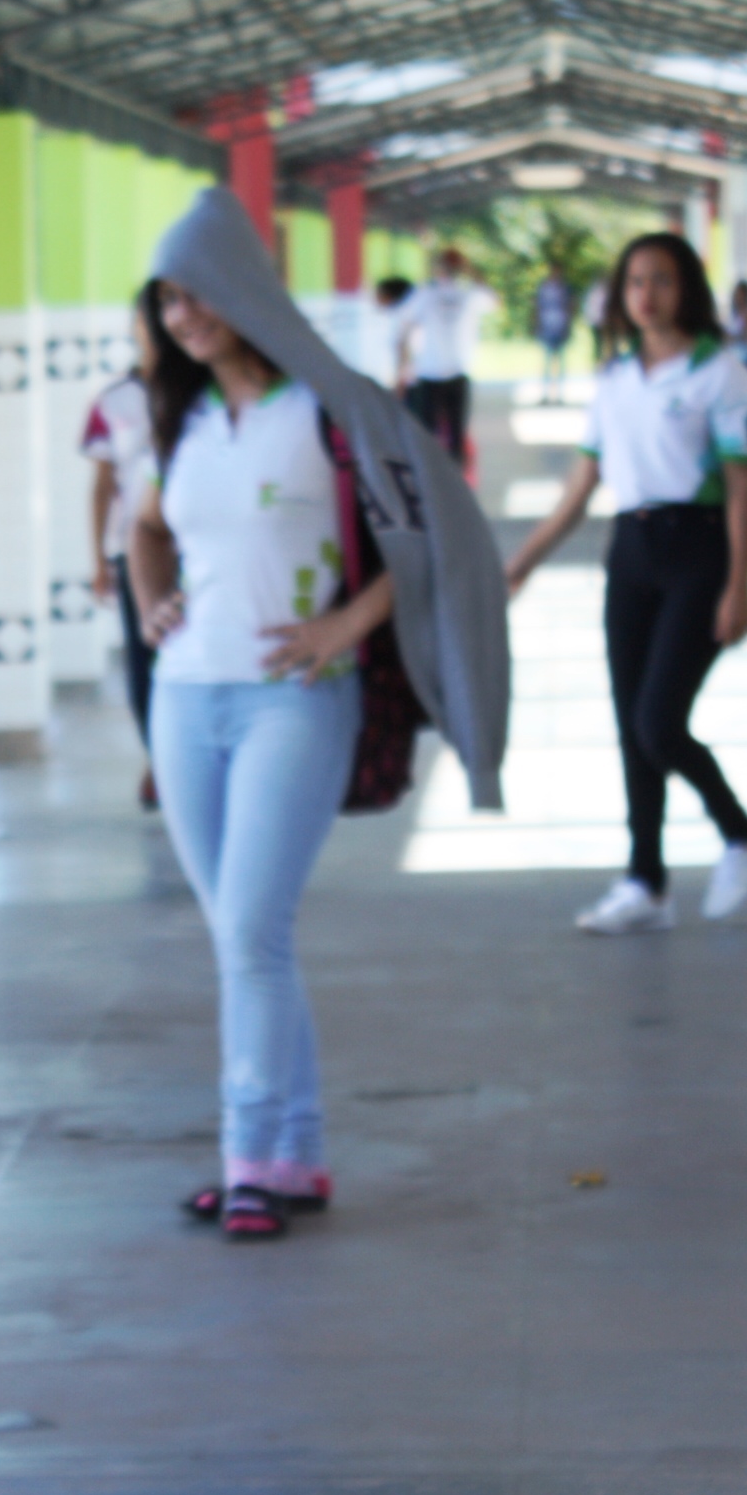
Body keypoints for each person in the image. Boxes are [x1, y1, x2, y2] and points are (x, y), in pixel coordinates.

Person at [131, 277, 397, 1243]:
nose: (185, 318)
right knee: (248, 940)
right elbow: (145, 528)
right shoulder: (187, 418)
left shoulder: (331, 407)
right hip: (187, 696)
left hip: (297, 696)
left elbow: (424, 540)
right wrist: (154, 598)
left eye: (200, 294)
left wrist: (346, 626)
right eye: (167, 304)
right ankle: (295, 1155)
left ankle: (249, 1164)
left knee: (250, 931)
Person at [506, 233, 747, 933]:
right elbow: (581, 484)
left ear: (688, 289)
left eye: (662, 280)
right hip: (631, 552)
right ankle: (644, 882)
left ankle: (739, 831)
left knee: (659, 721)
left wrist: (739, 586)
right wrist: (524, 560)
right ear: (620, 297)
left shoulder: (721, 373)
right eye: (634, 282)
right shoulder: (615, 379)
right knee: (632, 727)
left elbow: (742, 491)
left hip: (698, 550)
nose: (647, 294)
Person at [84, 288, 163, 799]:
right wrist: (98, 558)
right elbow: (101, 483)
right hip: (133, 549)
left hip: (199, 552)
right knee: (144, 659)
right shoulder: (115, 401)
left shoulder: (209, 395)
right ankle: (159, 756)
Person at [395, 244, 491, 459]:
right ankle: (455, 482)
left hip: (431, 373)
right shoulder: (468, 293)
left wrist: (401, 370)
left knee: (427, 440)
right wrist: (472, 271)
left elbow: (403, 332)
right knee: (455, 438)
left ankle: (432, 484)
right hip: (454, 373)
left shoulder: (425, 294)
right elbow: (493, 299)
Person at [533, 262, 576, 399]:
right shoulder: (544, 287)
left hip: (561, 327)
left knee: (561, 362)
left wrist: (569, 324)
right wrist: (537, 324)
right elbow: (537, 307)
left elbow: (571, 306)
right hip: (547, 328)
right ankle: (545, 393)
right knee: (547, 361)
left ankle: (560, 394)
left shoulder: (566, 288)